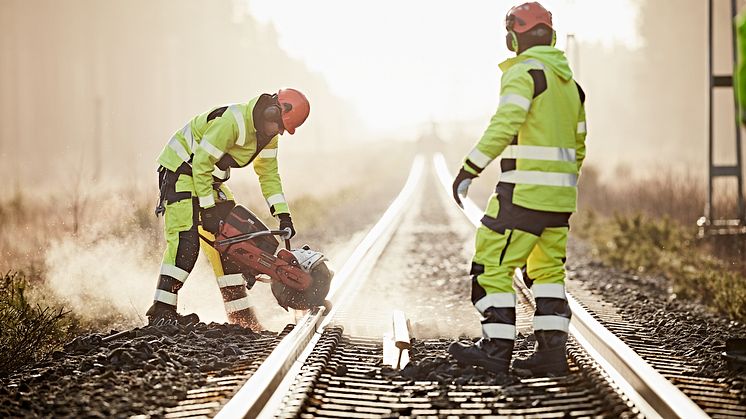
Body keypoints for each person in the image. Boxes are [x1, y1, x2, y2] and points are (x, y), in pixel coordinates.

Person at [448, 2, 587, 376]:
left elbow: (504, 123)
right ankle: (551, 355)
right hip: (559, 201)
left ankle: (495, 350)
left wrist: (469, 168)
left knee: (491, 265)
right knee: (547, 275)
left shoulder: (524, 73)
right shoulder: (570, 86)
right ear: (551, 35)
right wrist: (559, 186)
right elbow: (580, 145)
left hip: (523, 195)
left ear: (514, 36)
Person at [146, 88, 310, 330]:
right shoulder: (232, 122)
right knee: (185, 242)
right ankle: (161, 312)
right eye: (280, 127)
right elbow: (201, 163)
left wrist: (282, 214)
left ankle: (241, 318)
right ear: (272, 111)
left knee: (234, 241)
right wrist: (208, 209)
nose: (280, 133)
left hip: (206, 179)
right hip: (180, 172)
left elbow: (269, 176)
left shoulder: (268, 137)